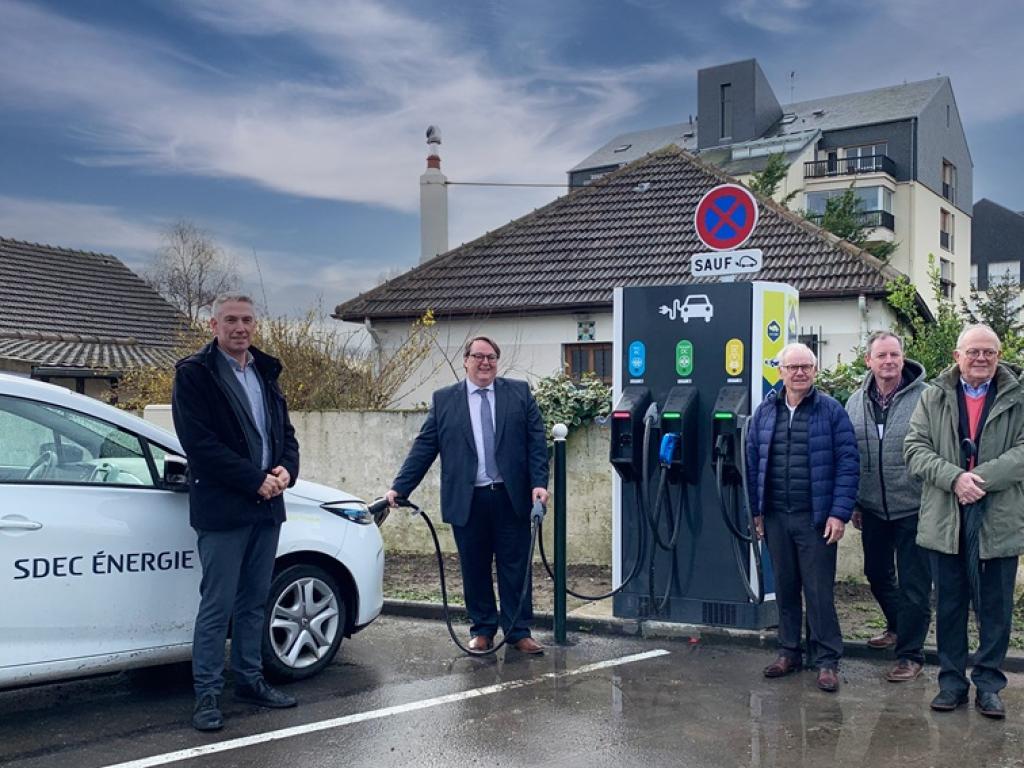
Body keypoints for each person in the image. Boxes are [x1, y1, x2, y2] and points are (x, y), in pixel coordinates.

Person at [172, 294, 300, 731]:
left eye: (246, 319)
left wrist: (287, 469)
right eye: (230, 320)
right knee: (218, 605)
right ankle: (207, 696)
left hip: (268, 505)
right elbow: (200, 445)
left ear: (255, 325)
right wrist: (253, 479)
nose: (240, 327)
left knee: (254, 602)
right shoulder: (195, 374)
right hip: (225, 507)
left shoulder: (266, 371)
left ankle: (250, 680)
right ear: (213, 325)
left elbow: (285, 433)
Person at [386, 336, 549, 653]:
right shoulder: (446, 400)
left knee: (514, 566)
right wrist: (399, 487)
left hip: (510, 496)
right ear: (465, 360)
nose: (485, 362)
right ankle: (483, 629)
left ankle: (518, 632)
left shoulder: (518, 393)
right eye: (478, 356)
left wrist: (539, 483)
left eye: (491, 357)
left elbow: (536, 443)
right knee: (474, 567)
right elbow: (425, 447)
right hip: (468, 499)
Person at [904, 324, 1024, 719]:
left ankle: (989, 685)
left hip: (998, 519)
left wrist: (978, 480)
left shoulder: (1017, 397)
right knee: (950, 606)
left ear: (999, 355)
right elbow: (915, 449)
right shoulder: (933, 397)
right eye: (973, 351)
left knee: (995, 608)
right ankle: (952, 683)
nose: (981, 358)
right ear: (958, 356)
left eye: (989, 352)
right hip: (945, 518)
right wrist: (954, 478)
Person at [746, 342, 859, 692]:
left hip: (816, 518)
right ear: (779, 371)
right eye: (792, 367)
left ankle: (826, 660)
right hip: (777, 516)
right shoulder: (764, 412)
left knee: (819, 591)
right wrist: (757, 512)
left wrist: (839, 514)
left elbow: (848, 464)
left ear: (814, 371)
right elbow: (752, 464)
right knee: (786, 587)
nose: (799, 373)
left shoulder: (831, 411)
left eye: (806, 367)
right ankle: (789, 651)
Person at [845, 331, 931, 682]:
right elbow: (850, 455)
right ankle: (897, 627)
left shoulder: (927, 398)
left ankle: (911, 655)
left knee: (915, 585)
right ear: (869, 361)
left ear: (903, 357)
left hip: (915, 506)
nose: (889, 361)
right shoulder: (854, 401)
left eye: (894, 355)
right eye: (881, 356)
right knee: (877, 574)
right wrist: (854, 502)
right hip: (872, 508)